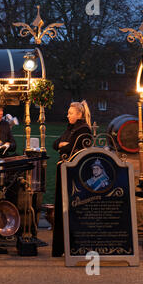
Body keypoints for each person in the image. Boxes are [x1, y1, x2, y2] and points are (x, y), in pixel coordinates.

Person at [52, 100, 93, 257]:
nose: (67, 115)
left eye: (70, 113)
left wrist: (63, 145)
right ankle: (63, 246)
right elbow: (56, 144)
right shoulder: (71, 128)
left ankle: (74, 246)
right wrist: (62, 144)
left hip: (74, 177)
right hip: (64, 171)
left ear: (79, 114)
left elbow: (70, 148)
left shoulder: (83, 130)